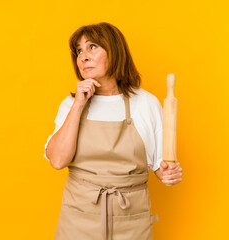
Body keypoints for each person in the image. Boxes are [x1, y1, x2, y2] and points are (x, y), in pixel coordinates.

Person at [44, 22, 183, 240]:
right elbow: (58, 161)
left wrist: (169, 173)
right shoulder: (70, 105)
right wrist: (78, 105)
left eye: (92, 47)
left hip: (132, 222)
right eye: (79, 51)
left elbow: (160, 165)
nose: (83, 57)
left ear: (115, 52)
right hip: (78, 221)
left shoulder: (146, 103)